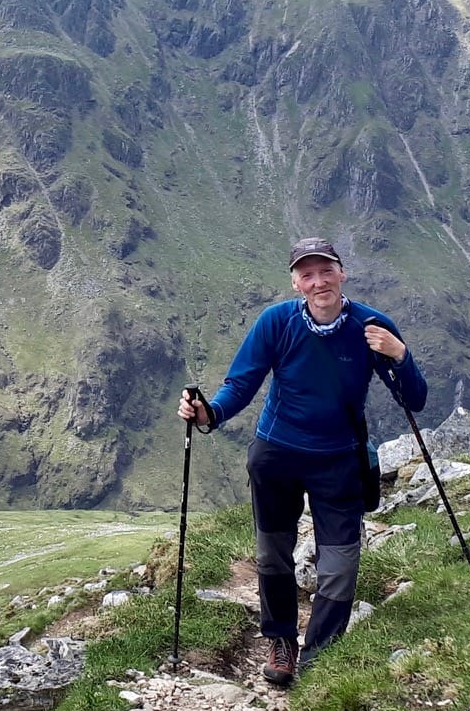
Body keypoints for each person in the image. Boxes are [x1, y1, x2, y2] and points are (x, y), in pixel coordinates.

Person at [178, 237, 428, 687]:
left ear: (341, 273)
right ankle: (281, 642)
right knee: (272, 555)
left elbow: (415, 399)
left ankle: (321, 654)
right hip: (278, 454)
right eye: (307, 274)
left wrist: (400, 356)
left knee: (340, 564)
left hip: (341, 458)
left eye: (326, 271)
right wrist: (208, 413)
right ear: (296, 282)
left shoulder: (372, 327)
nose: (318, 282)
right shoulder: (276, 322)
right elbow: (242, 382)